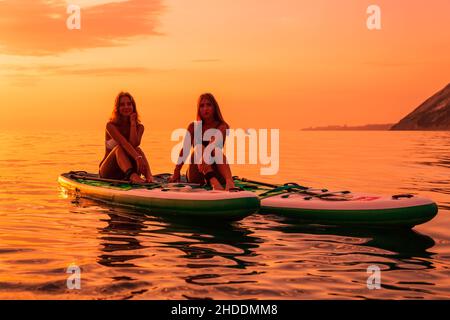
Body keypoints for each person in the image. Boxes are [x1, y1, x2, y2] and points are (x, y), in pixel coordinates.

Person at [169, 93, 235, 190]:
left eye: (209, 105)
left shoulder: (222, 126)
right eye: (202, 106)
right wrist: (176, 171)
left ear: (214, 107)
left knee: (215, 149)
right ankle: (213, 182)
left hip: (217, 172)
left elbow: (214, 143)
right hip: (197, 174)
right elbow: (185, 150)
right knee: (199, 148)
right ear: (198, 109)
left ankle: (230, 182)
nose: (205, 109)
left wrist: (205, 156)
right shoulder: (193, 127)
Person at [99, 92, 153, 183]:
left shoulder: (140, 127)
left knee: (138, 149)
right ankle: (133, 176)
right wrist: (138, 158)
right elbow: (124, 143)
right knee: (119, 148)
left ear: (133, 107)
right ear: (117, 108)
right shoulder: (111, 126)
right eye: (122, 105)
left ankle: (149, 176)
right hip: (109, 171)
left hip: (127, 169)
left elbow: (133, 144)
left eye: (129, 104)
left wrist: (132, 123)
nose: (126, 107)